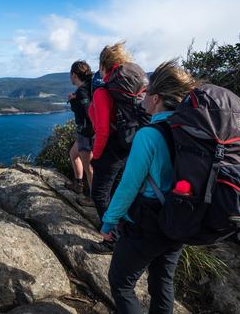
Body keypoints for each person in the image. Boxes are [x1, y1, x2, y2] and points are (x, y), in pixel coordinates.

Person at [100, 59, 199, 314]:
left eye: (146, 91)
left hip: (148, 223)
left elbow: (129, 186)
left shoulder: (149, 135)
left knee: (121, 283)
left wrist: (109, 221)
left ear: (156, 98)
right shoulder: (191, 129)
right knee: (162, 282)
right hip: (179, 217)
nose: (141, 95)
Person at [88, 42, 134, 253]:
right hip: (127, 146)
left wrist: (95, 156)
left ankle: (111, 239)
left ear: (103, 66)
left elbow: (103, 130)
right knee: (116, 192)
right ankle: (123, 233)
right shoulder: (125, 91)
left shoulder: (102, 92)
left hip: (110, 150)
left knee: (99, 194)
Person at [67, 60, 95, 206]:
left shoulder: (82, 92)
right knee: (73, 154)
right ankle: (78, 185)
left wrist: (73, 101)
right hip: (86, 132)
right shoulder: (89, 87)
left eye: (71, 74)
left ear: (75, 75)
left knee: (88, 167)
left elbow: (87, 113)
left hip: (87, 134)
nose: (70, 77)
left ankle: (93, 198)